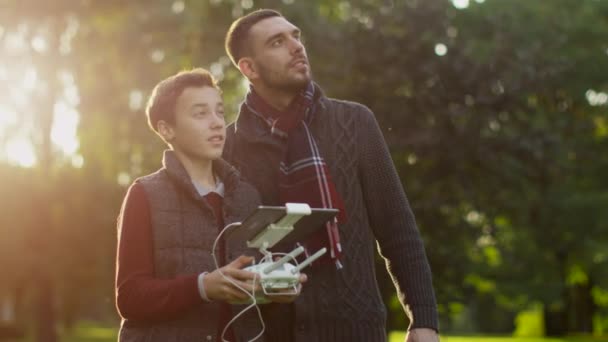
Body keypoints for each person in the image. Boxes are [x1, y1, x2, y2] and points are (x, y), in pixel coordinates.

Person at [222, 9, 440, 342]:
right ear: (249, 68)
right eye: (277, 42)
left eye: (296, 36)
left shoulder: (355, 122)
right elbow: (221, 247)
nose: (296, 47)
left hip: (355, 329)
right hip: (267, 332)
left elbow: (397, 227)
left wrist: (423, 319)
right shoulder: (228, 147)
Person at [115, 68, 277, 342]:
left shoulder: (249, 196)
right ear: (167, 128)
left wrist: (274, 286)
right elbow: (130, 298)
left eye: (219, 112)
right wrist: (202, 287)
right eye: (200, 114)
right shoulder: (144, 194)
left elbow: (253, 283)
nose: (216, 123)